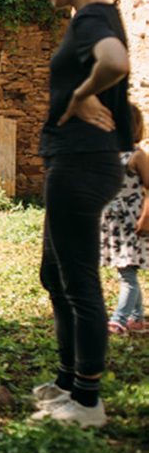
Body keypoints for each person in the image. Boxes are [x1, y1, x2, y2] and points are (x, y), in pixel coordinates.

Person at [29, 0, 132, 428]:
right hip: (77, 162)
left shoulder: (92, 15)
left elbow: (114, 61)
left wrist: (79, 93)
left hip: (81, 163)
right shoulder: (93, 14)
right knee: (56, 274)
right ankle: (70, 381)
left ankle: (88, 400)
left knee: (79, 281)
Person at [100, 105, 148, 335]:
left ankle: (118, 320)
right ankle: (137, 319)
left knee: (128, 272)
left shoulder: (137, 155)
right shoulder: (109, 153)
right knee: (123, 269)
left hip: (132, 222)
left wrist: (146, 220)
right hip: (113, 223)